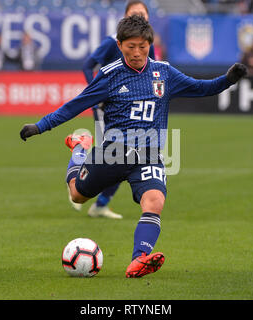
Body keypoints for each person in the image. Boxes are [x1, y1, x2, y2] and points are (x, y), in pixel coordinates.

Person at [20, 15, 247, 278]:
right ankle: (79, 149)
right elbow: (73, 106)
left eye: (143, 46)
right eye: (131, 47)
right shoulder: (109, 76)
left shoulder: (164, 72)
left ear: (150, 44)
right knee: (77, 195)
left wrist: (229, 79)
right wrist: (40, 126)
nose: (137, 52)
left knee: (155, 202)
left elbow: (202, 88)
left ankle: (138, 259)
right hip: (112, 154)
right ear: (119, 45)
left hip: (148, 156)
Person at [78, 0, 156, 219]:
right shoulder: (113, 42)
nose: (140, 17)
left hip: (135, 112)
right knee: (116, 157)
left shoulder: (147, 45)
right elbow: (88, 65)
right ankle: (78, 173)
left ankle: (99, 201)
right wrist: (95, 97)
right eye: (135, 13)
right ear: (125, 17)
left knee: (128, 158)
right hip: (111, 110)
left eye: (143, 14)